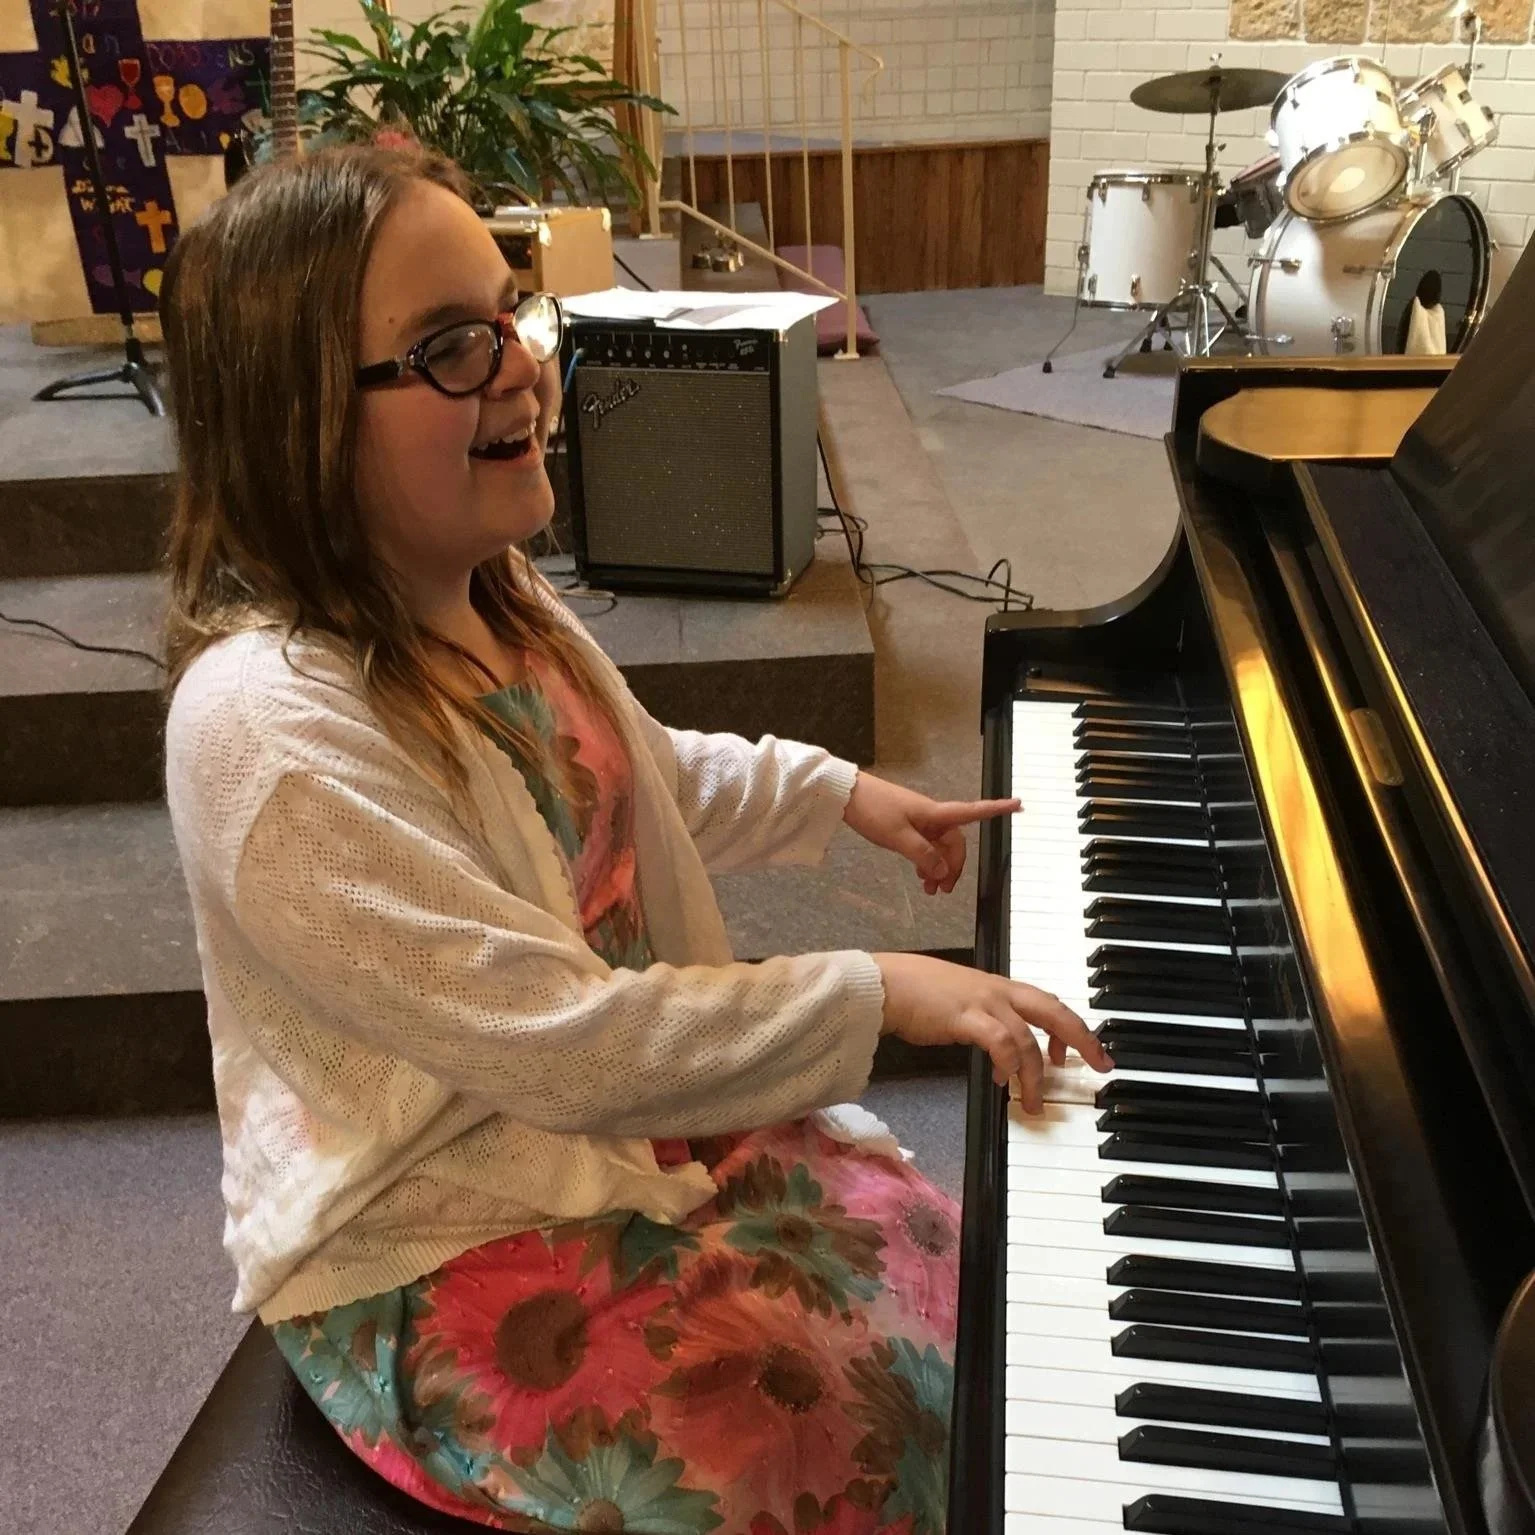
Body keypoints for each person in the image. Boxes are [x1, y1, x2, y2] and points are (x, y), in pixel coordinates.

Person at [158, 143, 1109, 1535]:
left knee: (976, 1304)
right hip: (444, 1227)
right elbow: (558, 1038)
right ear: (293, 416)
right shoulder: (264, 731)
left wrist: (840, 790)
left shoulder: (489, 595)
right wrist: (881, 988)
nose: (524, 371)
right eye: (451, 347)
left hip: (610, 1123)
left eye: (512, 315)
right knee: (864, 1437)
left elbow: (626, 779)